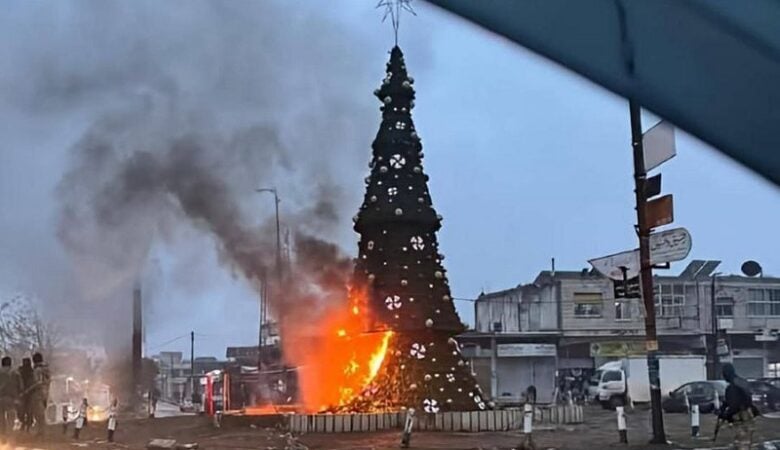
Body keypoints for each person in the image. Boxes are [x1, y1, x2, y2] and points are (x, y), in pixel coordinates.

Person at [718, 363, 759, 450]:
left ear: (727, 374)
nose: (723, 377)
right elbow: (743, 398)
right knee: (745, 441)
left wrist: (726, 415)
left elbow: (734, 405)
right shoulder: (742, 382)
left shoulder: (732, 387)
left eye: (724, 374)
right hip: (748, 415)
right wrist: (724, 406)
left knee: (742, 443)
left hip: (741, 416)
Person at [30, 352, 50, 437]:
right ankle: (42, 431)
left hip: (37, 392)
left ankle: (41, 431)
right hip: (46, 391)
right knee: (42, 412)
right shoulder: (46, 369)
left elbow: (37, 382)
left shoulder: (37, 370)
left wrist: (28, 390)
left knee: (38, 413)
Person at [0, 356, 21, 439]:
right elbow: (20, 386)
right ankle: (10, 433)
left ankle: (2, 434)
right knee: (11, 416)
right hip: (11, 398)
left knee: (0, 417)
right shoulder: (15, 373)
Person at [17, 358, 34, 433]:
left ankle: (27, 426)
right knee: (21, 412)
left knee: (29, 412)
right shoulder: (20, 372)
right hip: (22, 393)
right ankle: (24, 424)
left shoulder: (32, 372)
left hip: (30, 394)